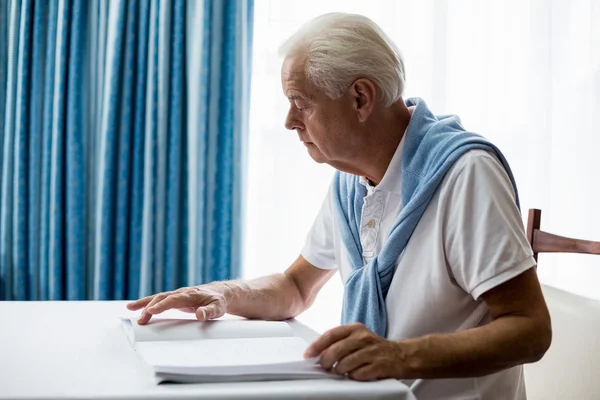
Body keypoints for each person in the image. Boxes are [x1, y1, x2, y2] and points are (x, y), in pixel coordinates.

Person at [127, 13, 551, 399]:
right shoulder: (351, 181)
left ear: (360, 98)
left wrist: (399, 357)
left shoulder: (466, 173)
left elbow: (530, 330)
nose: (290, 122)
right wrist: (222, 293)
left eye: (301, 102)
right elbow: (295, 287)